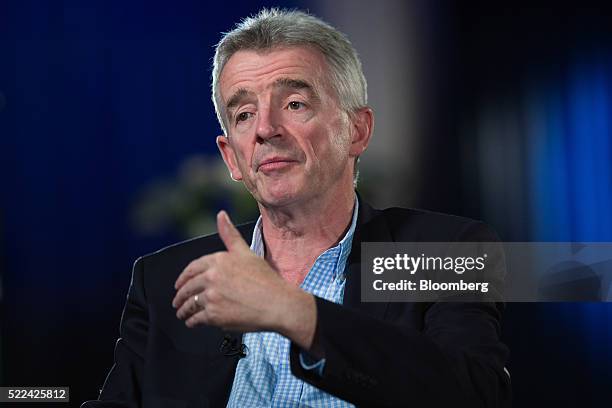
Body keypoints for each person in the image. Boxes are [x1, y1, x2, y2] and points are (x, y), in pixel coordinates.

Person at [82, 8, 511, 408]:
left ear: (357, 130)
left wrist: (297, 313)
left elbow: (476, 393)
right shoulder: (164, 279)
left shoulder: (440, 252)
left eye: (294, 104)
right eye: (244, 114)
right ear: (231, 156)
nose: (266, 129)